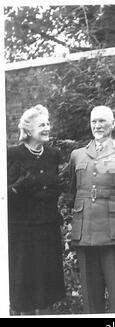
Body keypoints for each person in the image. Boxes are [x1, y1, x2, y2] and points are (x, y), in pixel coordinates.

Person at [68, 105, 115, 313]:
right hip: (85, 232)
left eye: (102, 121)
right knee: (90, 299)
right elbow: (73, 192)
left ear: (113, 124)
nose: (97, 125)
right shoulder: (77, 155)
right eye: (94, 121)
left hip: (114, 232)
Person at [7, 104, 66, 315]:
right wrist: (18, 187)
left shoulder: (53, 154)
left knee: (47, 286)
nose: (47, 127)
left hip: (47, 228)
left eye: (48, 123)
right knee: (25, 287)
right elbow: (5, 195)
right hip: (22, 232)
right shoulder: (11, 154)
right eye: (42, 124)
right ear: (29, 129)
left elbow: (58, 186)